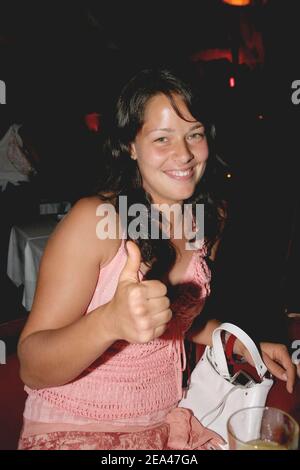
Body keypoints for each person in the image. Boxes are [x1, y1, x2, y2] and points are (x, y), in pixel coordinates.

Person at [17, 67, 296, 450]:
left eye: (194, 134)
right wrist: (109, 322)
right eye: (162, 138)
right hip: (80, 426)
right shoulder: (96, 221)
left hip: (164, 426)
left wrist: (238, 344)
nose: (183, 154)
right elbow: (32, 365)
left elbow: (181, 321)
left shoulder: (207, 220)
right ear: (130, 146)